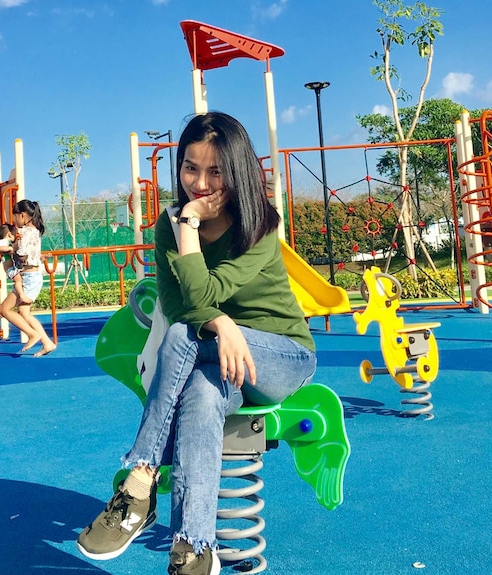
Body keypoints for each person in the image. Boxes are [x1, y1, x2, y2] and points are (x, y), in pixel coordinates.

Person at [76, 112, 317, 575]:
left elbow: (200, 299)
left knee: (186, 332)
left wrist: (190, 230)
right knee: (203, 396)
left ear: (239, 170)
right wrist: (221, 325)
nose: (200, 184)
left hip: (280, 355)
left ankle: (139, 481)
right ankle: (193, 547)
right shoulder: (168, 226)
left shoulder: (260, 224)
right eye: (190, 168)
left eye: (216, 171)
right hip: (216, 358)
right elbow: (175, 300)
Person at [0, 199, 56, 357]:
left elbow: (22, 256)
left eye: (15, 216)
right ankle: (47, 343)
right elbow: (31, 254)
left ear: (22, 216)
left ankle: (33, 334)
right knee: (24, 312)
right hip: (32, 275)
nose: (14, 221)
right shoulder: (35, 231)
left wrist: (11, 250)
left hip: (29, 276)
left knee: (4, 309)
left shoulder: (25, 232)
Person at [0, 223, 26, 303]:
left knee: (20, 279)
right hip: (9, 269)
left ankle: (18, 295)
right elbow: (0, 248)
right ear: (9, 234)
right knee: (18, 280)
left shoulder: (8, 241)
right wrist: (10, 249)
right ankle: (21, 295)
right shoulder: (3, 241)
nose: (15, 236)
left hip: (13, 267)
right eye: (14, 234)